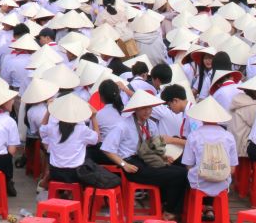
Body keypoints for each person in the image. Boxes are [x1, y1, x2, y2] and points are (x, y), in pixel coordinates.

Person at [102, 91, 188, 220]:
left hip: (147, 160)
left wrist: (164, 157)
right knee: (179, 175)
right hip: (132, 164)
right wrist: (124, 165)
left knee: (182, 171)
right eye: (143, 108)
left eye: (149, 108)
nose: (147, 111)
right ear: (135, 109)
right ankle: (170, 211)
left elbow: (153, 147)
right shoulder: (123, 125)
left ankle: (168, 208)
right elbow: (107, 149)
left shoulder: (151, 124)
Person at [181, 98, 238, 220]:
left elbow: (188, 164)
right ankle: (210, 208)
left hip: (199, 182)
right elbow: (232, 168)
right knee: (216, 173)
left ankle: (196, 213)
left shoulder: (194, 136)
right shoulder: (228, 136)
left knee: (185, 174)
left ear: (201, 117)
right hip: (222, 182)